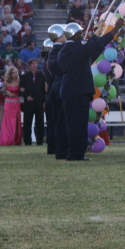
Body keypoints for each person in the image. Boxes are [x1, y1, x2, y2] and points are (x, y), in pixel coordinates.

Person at [57, 19, 124, 161]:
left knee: (75, 124)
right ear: (74, 35)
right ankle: (75, 154)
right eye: (80, 33)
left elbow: (92, 47)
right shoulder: (76, 48)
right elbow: (95, 45)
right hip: (77, 92)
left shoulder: (69, 49)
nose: (82, 34)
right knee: (77, 125)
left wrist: (99, 31)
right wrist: (115, 29)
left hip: (72, 91)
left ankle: (76, 153)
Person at [46, 24, 68, 159]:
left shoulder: (55, 50)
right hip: (60, 89)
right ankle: (61, 151)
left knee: (59, 122)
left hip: (58, 89)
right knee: (61, 123)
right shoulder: (58, 50)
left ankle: (61, 150)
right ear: (59, 37)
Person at [20, 58, 45, 145]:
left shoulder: (41, 76)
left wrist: (44, 102)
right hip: (29, 104)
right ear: (29, 65)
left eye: (36, 63)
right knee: (27, 123)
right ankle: (27, 141)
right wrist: (27, 96)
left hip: (39, 103)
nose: (35, 65)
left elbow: (43, 90)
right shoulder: (24, 77)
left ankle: (40, 141)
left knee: (40, 124)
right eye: (33, 64)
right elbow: (21, 90)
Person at [0, 67, 22, 146]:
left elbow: (21, 92)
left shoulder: (19, 81)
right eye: (13, 73)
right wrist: (8, 93)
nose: (15, 74)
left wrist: (16, 94)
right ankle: (7, 139)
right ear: (10, 74)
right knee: (8, 122)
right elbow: (3, 92)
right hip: (8, 103)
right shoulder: (6, 82)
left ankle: (15, 139)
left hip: (16, 103)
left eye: (16, 72)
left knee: (16, 121)